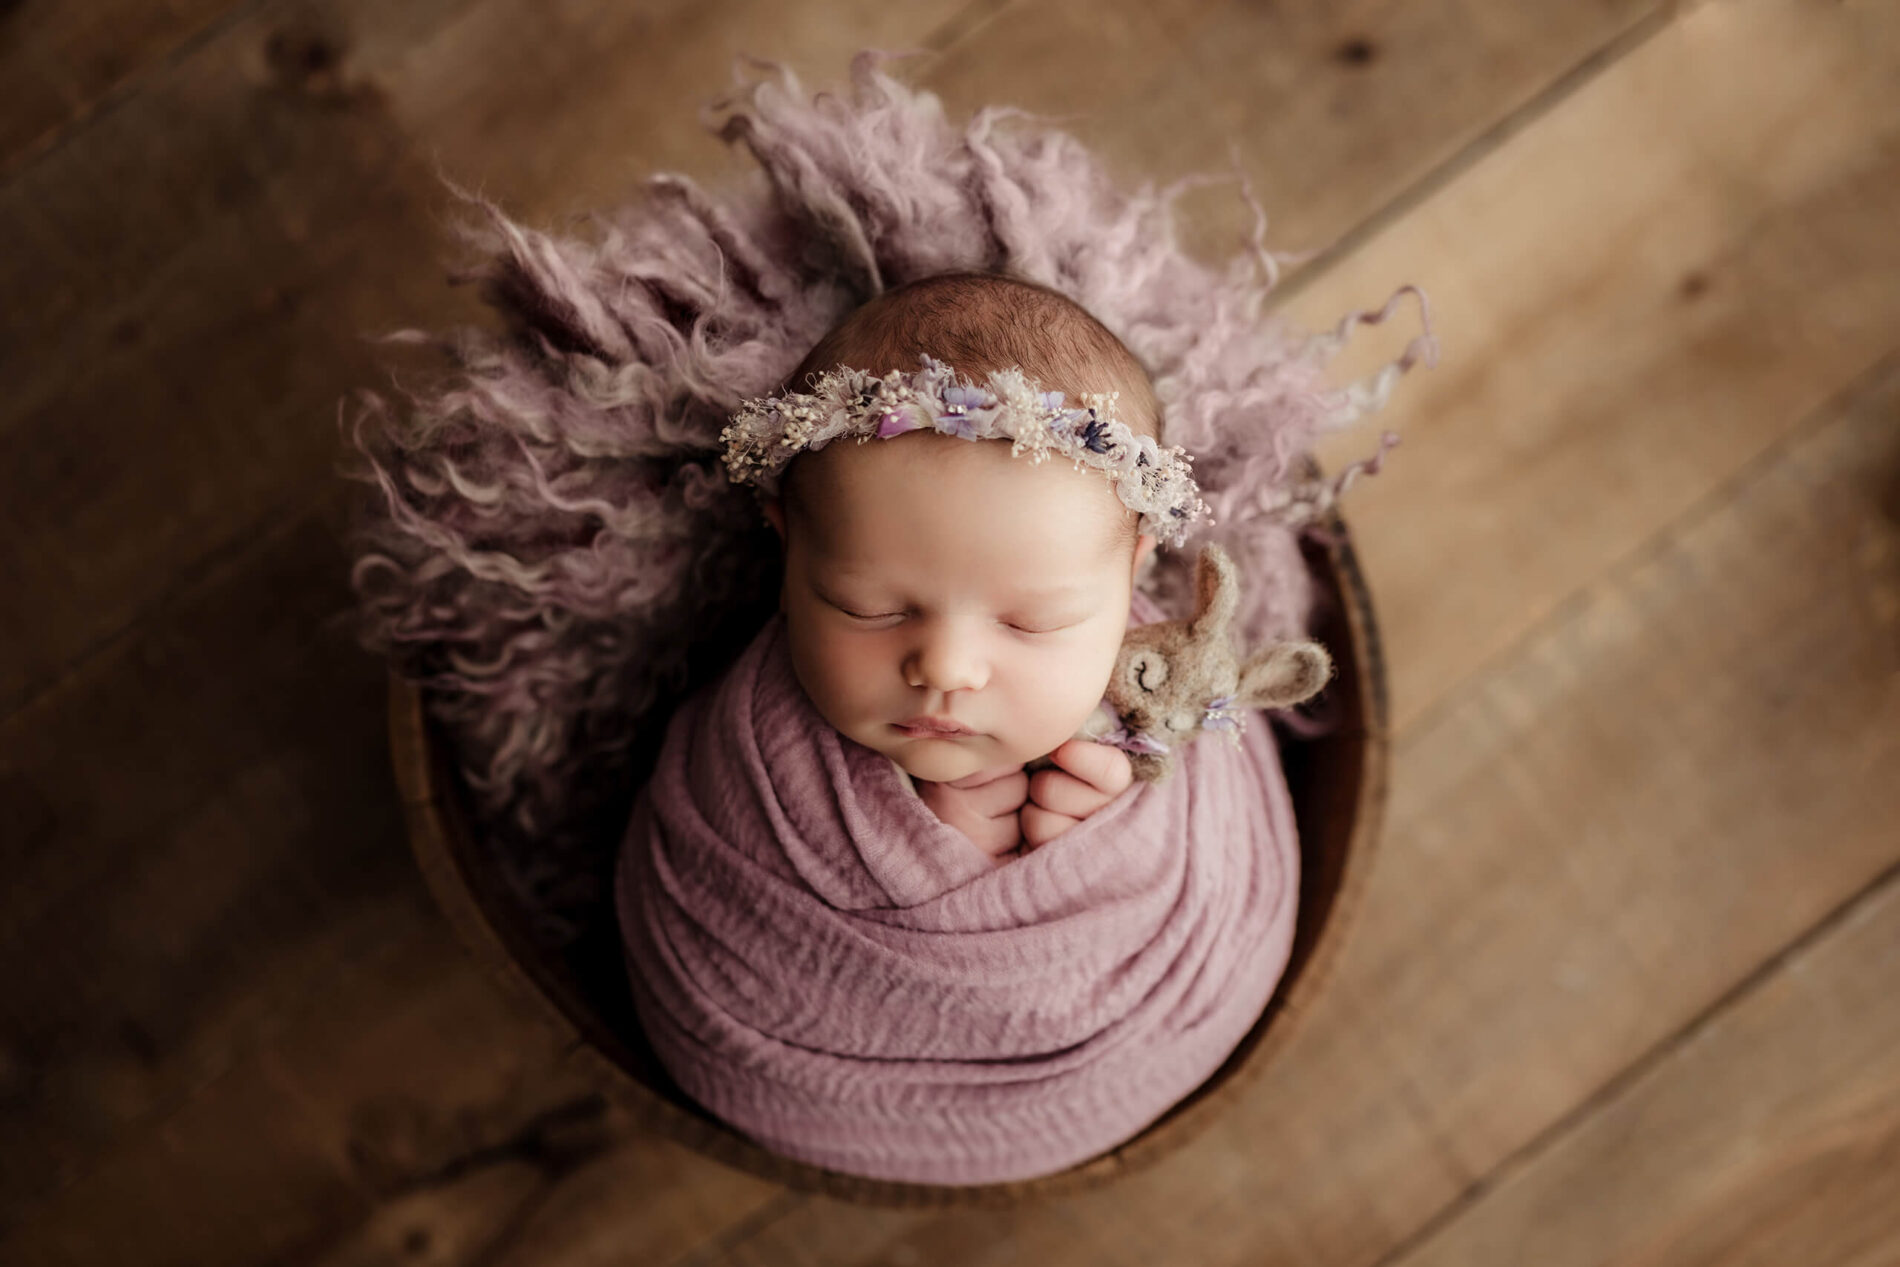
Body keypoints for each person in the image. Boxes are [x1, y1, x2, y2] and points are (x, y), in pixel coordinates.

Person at [749, 270, 1175, 858]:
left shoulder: (1167, 694)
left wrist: (1112, 843)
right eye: (869, 609)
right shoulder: (754, 750)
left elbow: (1216, 864)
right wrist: (926, 853)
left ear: (1131, 581)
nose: (946, 669)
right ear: (787, 554)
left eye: (1032, 622)